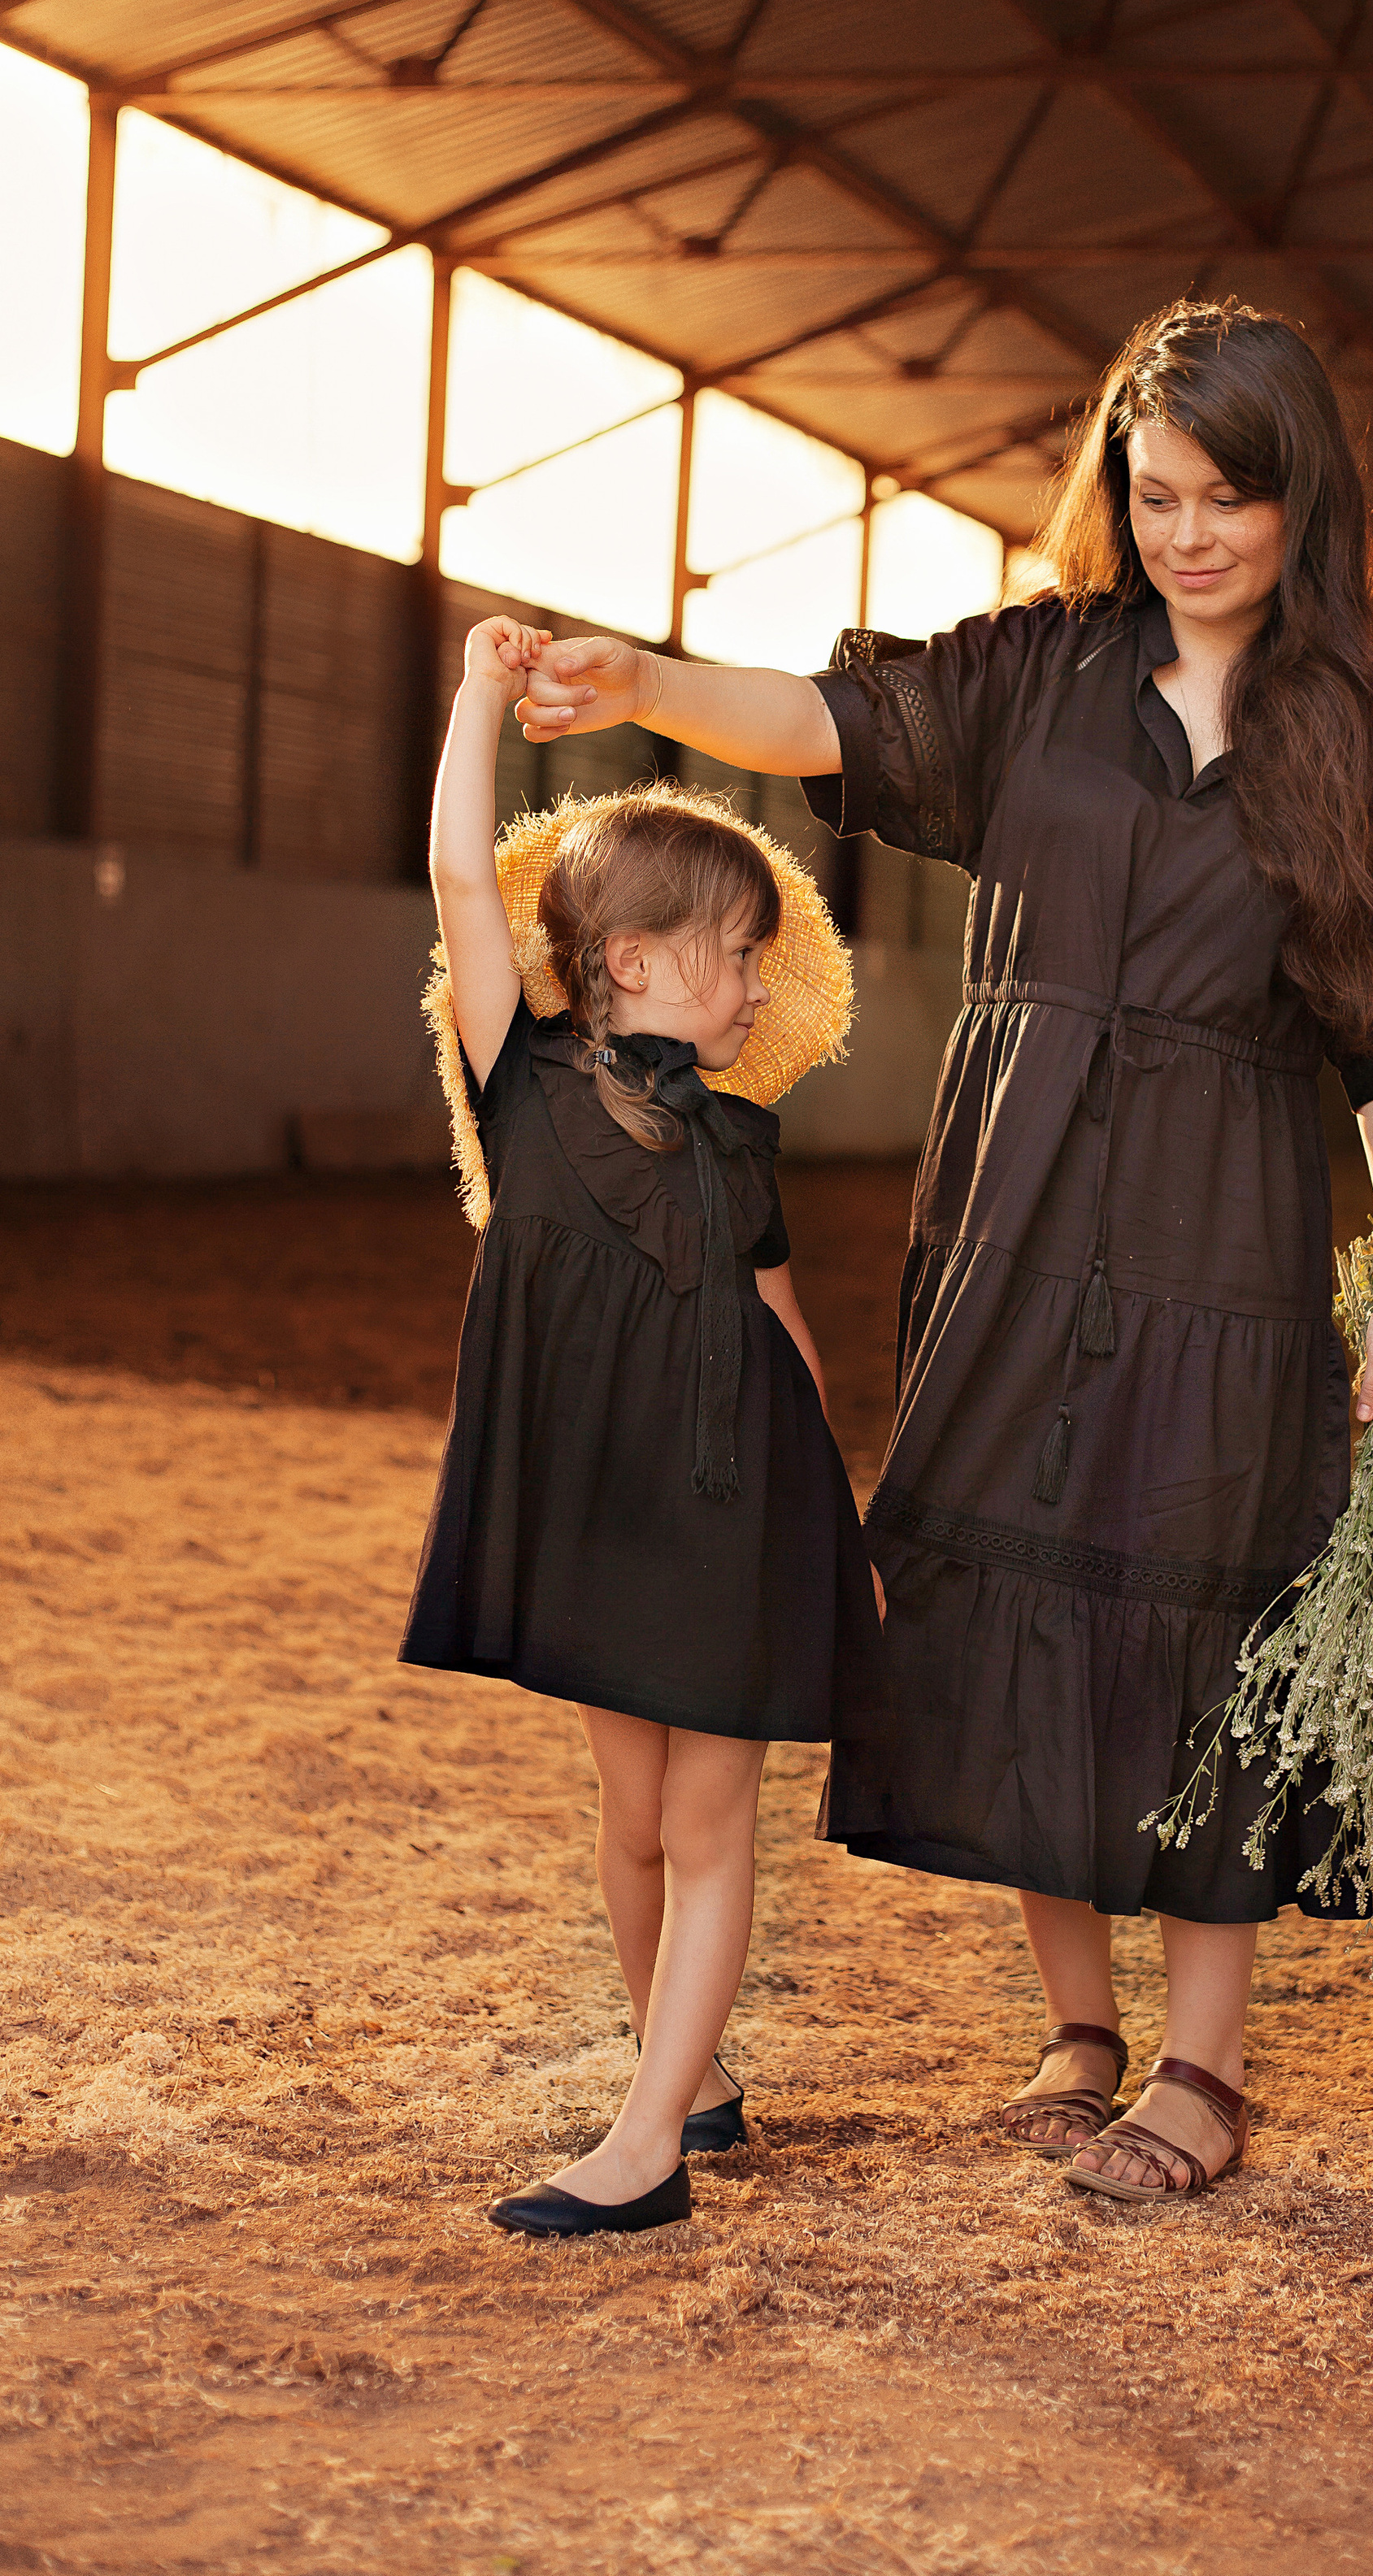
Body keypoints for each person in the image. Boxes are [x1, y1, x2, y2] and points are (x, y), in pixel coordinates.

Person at [515, 299, 1373, 2205]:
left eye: (1229, 497)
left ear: (1303, 499)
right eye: (1154, 496)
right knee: (1018, 1594)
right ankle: (1077, 2027)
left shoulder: (1372, 738)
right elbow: (824, 719)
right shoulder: (1038, 675)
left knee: (1206, 1608)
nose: (1190, 533)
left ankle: (1202, 2071)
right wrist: (638, 671)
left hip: (1224, 1219)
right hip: (1013, 1207)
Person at [399, 615, 878, 2239]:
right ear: (627, 964)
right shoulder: (515, 1082)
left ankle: (646, 2142)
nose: (754, 983)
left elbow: (783, 1332)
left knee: (704, 1816)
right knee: (627, 1818)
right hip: (596, 1506)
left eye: (758, 956)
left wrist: (835, 1531)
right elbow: (469, 883)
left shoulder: (742, 1146)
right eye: (733, 952)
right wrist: (477, 698)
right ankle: (688, 2067)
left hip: (736, 1499)